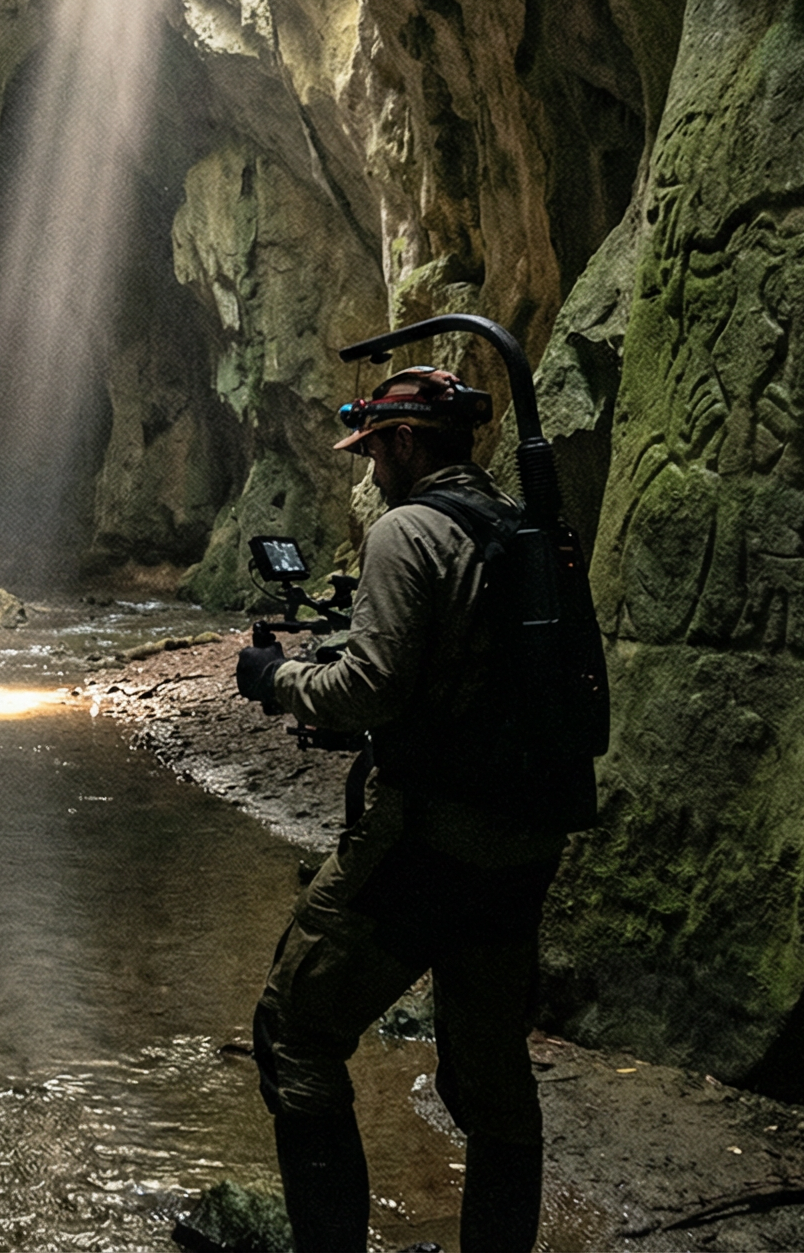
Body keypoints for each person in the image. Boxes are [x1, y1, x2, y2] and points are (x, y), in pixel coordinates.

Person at [231, 365, 584, 1253]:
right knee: (492, 1085)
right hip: (525, 837)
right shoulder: (524, 530)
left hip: (428, 840)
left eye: (372, 452)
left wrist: (277, 680)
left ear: (401, 442)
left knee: (295, 1032)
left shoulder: (408, 530)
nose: (369, 472)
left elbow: (371, 688)